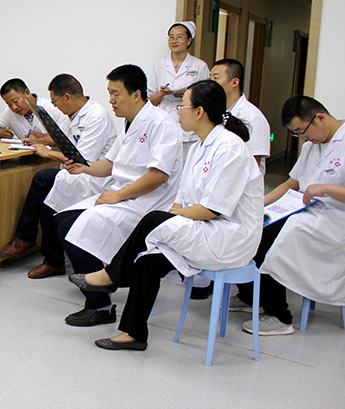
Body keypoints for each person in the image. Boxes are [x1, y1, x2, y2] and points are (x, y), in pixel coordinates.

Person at [71, 80, 263, 351]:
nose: (178, 112)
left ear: (199, 112)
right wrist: (175, 215)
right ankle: (133, 334)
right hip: (203, 228)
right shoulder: (197, 147)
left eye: (182, 106)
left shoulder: (230, 147)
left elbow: (212, 209)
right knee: (147, 260)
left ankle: (111, 276)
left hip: (229, 238)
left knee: (153, 219)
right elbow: (183, 199)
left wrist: (172, 217)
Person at [53, 64, 183, 327]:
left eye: (116, 94)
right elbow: (110, 165)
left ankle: (100, 303)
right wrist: (83, 167)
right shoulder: (129, 123)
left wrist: (119, 195)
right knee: (61, 220)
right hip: (123, 195)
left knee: (71, 228)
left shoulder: (161, 124)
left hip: (147, 202)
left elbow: (159, 175)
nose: (111, 100)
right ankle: (105, 283)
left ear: (136, 94)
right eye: (109, 93)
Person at [231, 95, 345, 336]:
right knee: (254, 224)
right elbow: (292, 183)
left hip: (335, 219)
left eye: (302, 131)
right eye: (297, 134)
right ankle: (251, 295)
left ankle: (279, 316)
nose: (303, 138)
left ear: (320, 118)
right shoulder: (312, 145)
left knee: (269, 238)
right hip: (306, 210)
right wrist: (258, 204)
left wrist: (327, 188)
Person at [0, 74, 117, 280]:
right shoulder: (73, 115)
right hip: (75, 173)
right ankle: (50, 258)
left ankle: (33, 244)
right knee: (48, 194)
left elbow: (82, 160)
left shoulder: (96, 116)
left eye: (55, 102)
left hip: (94, 178)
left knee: (44, 180)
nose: (55, 106)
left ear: (67, 97)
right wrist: (41, 140)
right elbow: (64, 143)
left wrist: (47, 153)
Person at [147, 21, 210, 156]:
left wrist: (188, 95)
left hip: (190, 131)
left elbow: (207, 98)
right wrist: (161, 94)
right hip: (164, 125)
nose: (174, 41)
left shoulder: (200, 66)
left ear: (189, 40)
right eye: (171, 37)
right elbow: (149, 102)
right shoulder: (158, 66)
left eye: (179, 37)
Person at [210, 58, 271, 174]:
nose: (210, 83)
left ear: (234, 82)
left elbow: (254, 162)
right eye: (210, 78)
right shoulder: (213, 110)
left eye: (216, 78)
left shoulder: (253, 117)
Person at [0, 78, 69, 141]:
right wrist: (2, 133)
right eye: (9, 104)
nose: (14, 107)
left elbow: (66, 137)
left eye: (16, 101)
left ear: (27, 92)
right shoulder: (10, 112)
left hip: (52, 154)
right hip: (25, 154)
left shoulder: (52, 108)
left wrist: (39, 138)